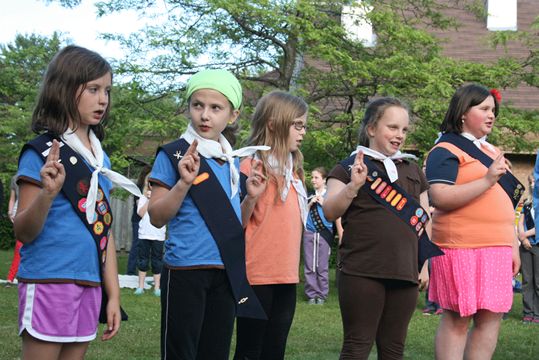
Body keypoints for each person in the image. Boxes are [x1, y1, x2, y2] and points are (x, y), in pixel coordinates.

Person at [13, 45, 140, 359]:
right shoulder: (41, 151)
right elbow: (23, 231)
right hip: (48, 280)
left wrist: (112, 294)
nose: (103, 100)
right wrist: (48, 193)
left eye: (107, 90)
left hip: (89, 284)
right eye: (93, 89)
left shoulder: (101, 158)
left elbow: (104, 229)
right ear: (65, 89)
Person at [148, 69, 267, 360]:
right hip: (185, 270)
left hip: (224, 273)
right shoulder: (173, 154)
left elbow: (232, 226)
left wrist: (250, 199)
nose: (205, 115)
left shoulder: (230, 163)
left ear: (233, 116)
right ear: (188, 107)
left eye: (216, 108)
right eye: (198, 105)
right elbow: (156, 216)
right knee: (181, 354)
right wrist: (183, 184)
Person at [323, 97, 430, 359]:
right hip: (362, 270)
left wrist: (424, 264)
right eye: (392, 127)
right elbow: (329, 210)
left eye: (404, 130)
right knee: (357, 345)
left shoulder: (413, 169)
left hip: (405, 271)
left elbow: (425, 220)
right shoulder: (349, 166)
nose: (400, 135)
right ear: (371, 129)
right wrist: (353, 187)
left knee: (394, 349)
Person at [425, 84, 521, 359]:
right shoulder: (444, 149)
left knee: (491, 318)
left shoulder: (493, 151)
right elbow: (440, 196)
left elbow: (507, 204)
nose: (491, 115)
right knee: (458, 317)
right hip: (461, 246)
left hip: (498, 247)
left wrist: (512, 243)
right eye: (484, 109)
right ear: (463, 112)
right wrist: (488, 178)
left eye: (493, 110)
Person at [233, 91, 308, 360]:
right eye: (297, 125)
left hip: (286, 277)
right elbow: (234, 225)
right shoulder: (248, 166)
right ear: (274, 124)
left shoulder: (294, 172)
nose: (303, 132)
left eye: (304, 126)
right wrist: (251, 198)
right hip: (256, 277)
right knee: (249, 351)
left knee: (275, 350)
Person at [304, 166, 333, 305]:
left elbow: (335, 214)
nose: (313, 180)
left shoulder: (330, 196)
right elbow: (302, 214)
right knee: (310, 265)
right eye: (312, 177)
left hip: (324, 234)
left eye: (316, 177)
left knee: (322, 266)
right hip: (309, 233)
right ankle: (311, 294)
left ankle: (321, 295)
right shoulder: (309, 195)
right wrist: (310, 204)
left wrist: (324, 203)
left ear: (324, 180)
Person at [133, 177, 166, 296]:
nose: (153, 186)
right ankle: (140, 287)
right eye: (151, 184)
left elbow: (164, 214)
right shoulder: (142, 198)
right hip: (144, 234)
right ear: (149, 186)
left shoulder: (164, 199)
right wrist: (149, 200)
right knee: (142, 261)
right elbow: (141, 213)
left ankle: (157, 288)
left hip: (158, 235)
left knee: (157, 261)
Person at [126, 165, 152, 275]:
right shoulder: (139, 189)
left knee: (148, 246)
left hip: (149, 221)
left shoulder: (152, 188)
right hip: (138, 220)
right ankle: (131, 271)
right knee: (137, 245)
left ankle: (143, 269)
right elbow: (139, 209)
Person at [519, 174, 538, 323]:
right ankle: (528, 311)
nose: (532, 185)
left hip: (537, 245)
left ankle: (537, 313)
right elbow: (520, 221)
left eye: (535, 182)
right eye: (530, 182)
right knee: (527, 280)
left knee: (538, 281)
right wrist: (523, 238)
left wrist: (526, 234)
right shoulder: (527, 203)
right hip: (525, 245)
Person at [6, 175, 23, 285]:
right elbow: (13, 198)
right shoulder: (15, 178)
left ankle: (14, 277)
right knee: (19, 247)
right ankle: (11, 278)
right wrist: (10, 211)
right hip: (18, 215)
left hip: (32, 214)